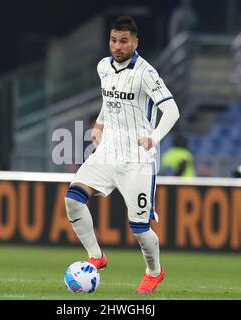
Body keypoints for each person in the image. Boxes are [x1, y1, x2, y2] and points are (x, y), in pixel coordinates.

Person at [64, 15, 180, 294]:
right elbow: (110, 99)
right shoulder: (103, 66)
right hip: (106, 153)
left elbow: (172, 110)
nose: (117, 46)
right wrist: (100, 123)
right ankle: (96, 256)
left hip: (137, 160)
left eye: (124, 41)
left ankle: (154, 271)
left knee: (139, 228)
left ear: (135, 42)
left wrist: (153, 137)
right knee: (73, 200)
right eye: (114, 40)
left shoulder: (146, 74)